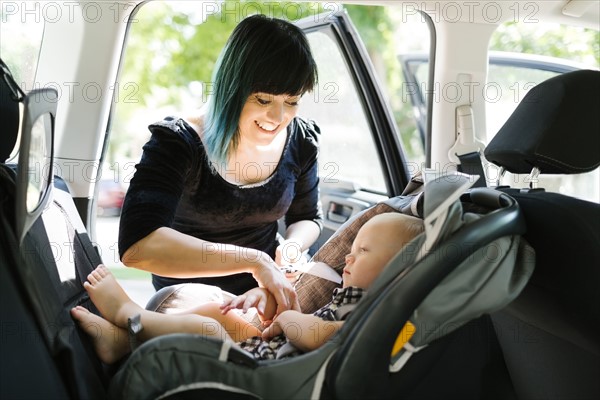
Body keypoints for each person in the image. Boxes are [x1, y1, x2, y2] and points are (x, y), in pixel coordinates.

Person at [117, 14, 322, 313]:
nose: (278, 119)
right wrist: (254, 260)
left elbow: (307, 218)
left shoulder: (301, 140)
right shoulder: (177, 142)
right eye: (263, 100)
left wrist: (290, 249)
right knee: (223, 324)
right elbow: (138, 247)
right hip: (190, 298)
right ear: (232, 88)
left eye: (291, 101)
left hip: (265, 291)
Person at [72, 213, 424, 364]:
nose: (347, 257)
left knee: (207, 328)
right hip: (280, 352)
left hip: (277, 369)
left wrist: (287, 318)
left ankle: (128, 314)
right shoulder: (354, 297)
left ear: (399, 270)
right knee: (219, 314)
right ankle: (121, 343)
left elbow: (316, 335)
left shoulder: (381, 313)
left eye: (362, 252)